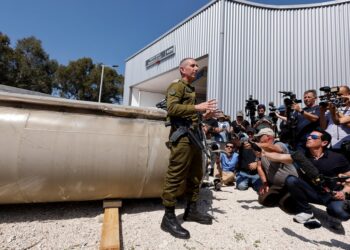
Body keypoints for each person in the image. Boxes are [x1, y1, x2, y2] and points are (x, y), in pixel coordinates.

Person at [160, 58, 217, 239]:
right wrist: (197, 107)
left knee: (196, 176)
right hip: (182, 139)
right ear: (182, 70)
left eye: (196, 65)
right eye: (192, 65)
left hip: (194, 138)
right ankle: (168, 218)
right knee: (175, 176)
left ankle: (191, 210)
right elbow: (172, 108)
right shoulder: (176, 86)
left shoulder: (190, 90)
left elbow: (191, 116)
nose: (196, 68)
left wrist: (204, 114)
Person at [263, 129, 350, 224]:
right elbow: (279, 157)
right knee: (291, 180)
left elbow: (348, 178)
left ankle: (333, 214)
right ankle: (306, 211)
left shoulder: (337, 158)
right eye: (309, 136)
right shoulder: (302, 156)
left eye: (314, 137)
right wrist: (263, 152)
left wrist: (344, 192)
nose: (309, 138)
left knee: (342, 214)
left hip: (331, 195)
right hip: (310, 192)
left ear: (324, 143)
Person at [252, 128, 298, 213]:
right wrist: (265, 183)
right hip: (276, 184)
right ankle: (282, 197)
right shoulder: (260, 150)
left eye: (260, 137)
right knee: (263, 200)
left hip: (290, 184)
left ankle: (289, 197)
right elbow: (259, 167)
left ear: (269, 137)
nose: (258, 139)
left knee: (289, 207)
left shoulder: (279, 144)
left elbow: (276, 149)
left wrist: (256, 144)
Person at [319, 85, 350, 159]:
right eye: (336, 95)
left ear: (348, 94)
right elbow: (323, 127)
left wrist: (336, 111)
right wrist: (322, 112)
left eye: (340, 95)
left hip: (345, 145)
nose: (337, 97)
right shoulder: (331, 106)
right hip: (330, 144)